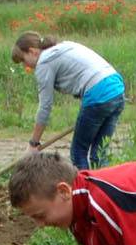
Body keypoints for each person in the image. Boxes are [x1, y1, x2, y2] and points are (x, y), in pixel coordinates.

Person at [13, 31, 126, 171]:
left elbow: (45, 107)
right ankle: (105, 190)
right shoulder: (65, 46)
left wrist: (33, 144)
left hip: (98, 95)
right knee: (100, 153)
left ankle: (84, 191)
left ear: (32, 51)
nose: (26, 66)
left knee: (78, 153)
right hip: (117, 90)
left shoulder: (44, 62)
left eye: (23, 60)